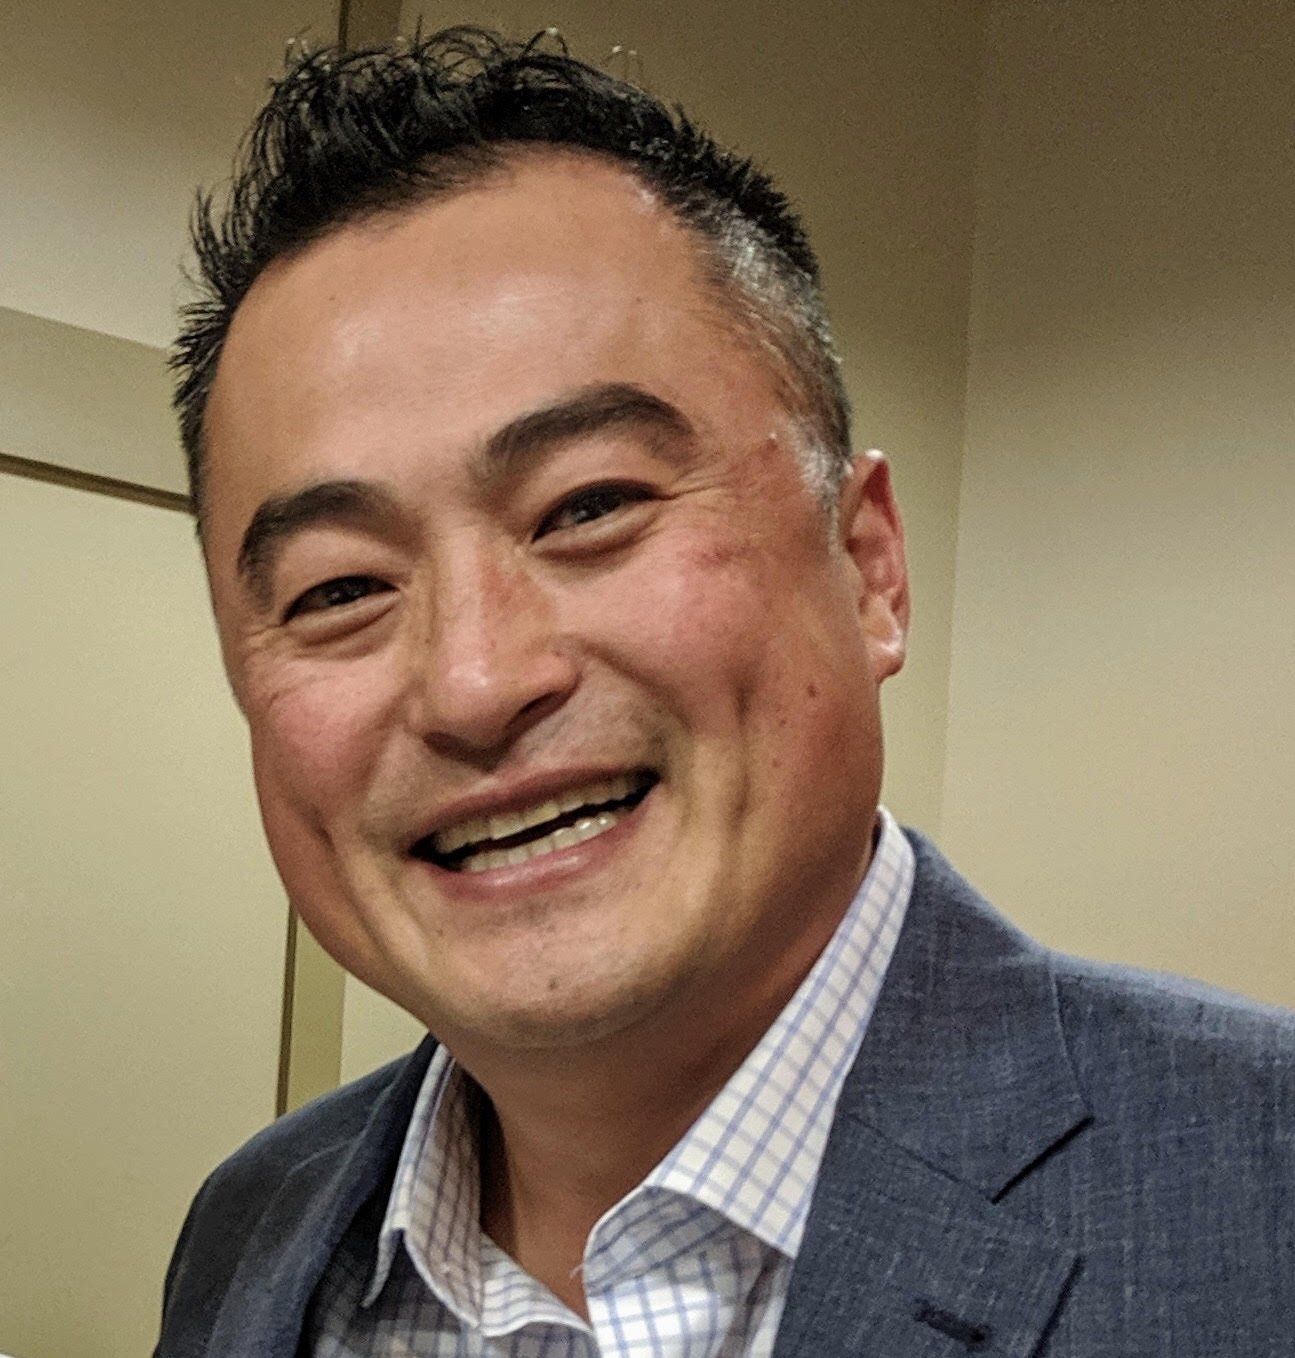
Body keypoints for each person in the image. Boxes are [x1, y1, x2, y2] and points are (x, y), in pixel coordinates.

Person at [155, 27, 1294, 1358]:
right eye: (340, 588)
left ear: (867, 565)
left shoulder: (1257, 1198)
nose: (473, 681)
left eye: (588, 505)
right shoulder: (251, 1230)